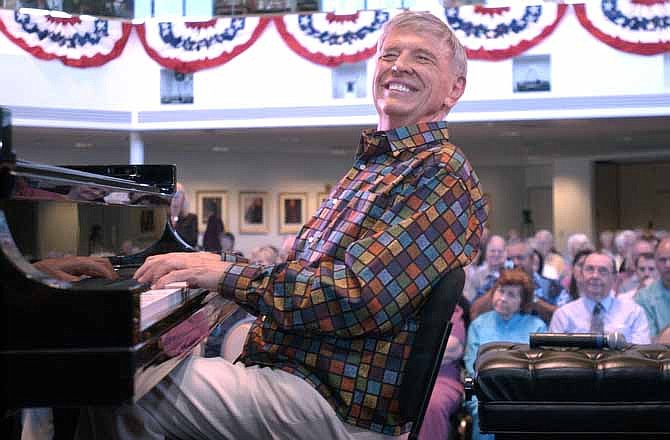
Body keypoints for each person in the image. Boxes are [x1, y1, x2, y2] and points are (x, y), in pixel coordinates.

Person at [76, 11, 486, 439]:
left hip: (332, 400)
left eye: (422, 58)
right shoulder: (375, 167)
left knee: (121, 387)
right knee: (133, 370)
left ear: (454, 88)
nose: (399, 65)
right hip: (297, 373)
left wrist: (223, 275)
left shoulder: (440, 173)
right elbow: (302, 274)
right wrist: (211, 264)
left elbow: (355, 296)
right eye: (389, 54)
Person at [464, 268, 547, 440]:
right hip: (483, 392)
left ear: (522, 302)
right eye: (501, 291)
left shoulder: (537, 327)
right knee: (485, 412)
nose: (502, 298)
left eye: (511, 295)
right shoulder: (479, 324)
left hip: (523, 395)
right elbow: (471, 363)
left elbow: (540, 370)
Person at [550, 252, 650, 344]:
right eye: (590, 269)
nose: (595, 275)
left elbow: (640, 356)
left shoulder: (634, 313)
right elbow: (555, 357)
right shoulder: (563, 315)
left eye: (603, 271)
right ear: (581, 275)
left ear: (614, 278)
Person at [419, 305, 466, 440]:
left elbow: (450, 348)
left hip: (439, 378)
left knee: (430, 403)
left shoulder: (449, 308)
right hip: (396, 375)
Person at [635, 238, 670, 341]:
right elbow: (649, 342)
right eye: (663, 260)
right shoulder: (643, 298)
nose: (668, 265)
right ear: (655, 263)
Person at [171, 182, 198, 247]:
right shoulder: (162, 218)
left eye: (178, 196)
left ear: (183, 199)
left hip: (183, 254)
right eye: (173, 196)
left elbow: (192, 241)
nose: (175, 199)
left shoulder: (191, 218)